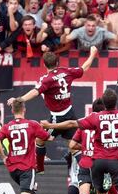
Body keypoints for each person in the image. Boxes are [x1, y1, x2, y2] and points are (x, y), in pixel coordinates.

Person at [6, 46, 98, 174]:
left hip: (57, 117)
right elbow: (84, 68)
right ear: (57, 62)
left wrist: (19, 99)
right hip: (70, 113)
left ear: (44, 64)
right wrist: (93, 54)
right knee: (74, 145)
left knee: (39, 140)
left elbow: (35, 92)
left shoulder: (46, 79)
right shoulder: (67, 71)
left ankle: (40, 168)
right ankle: (89, 170)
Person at [0, 99, 54, 194]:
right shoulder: (32, 124)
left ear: (12, 111)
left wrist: (3, 156)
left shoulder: (7, 126)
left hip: (13, 169)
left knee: (34, 187)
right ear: (24, 110)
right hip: (27, 167)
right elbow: (49, 138)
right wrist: (50, 126)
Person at [70, 98, 105, 194]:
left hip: (84, 164)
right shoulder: (104, 124)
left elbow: (72, 146)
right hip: (98, 164)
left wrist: (84, 149)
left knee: (83, 193)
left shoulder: (84, 124)